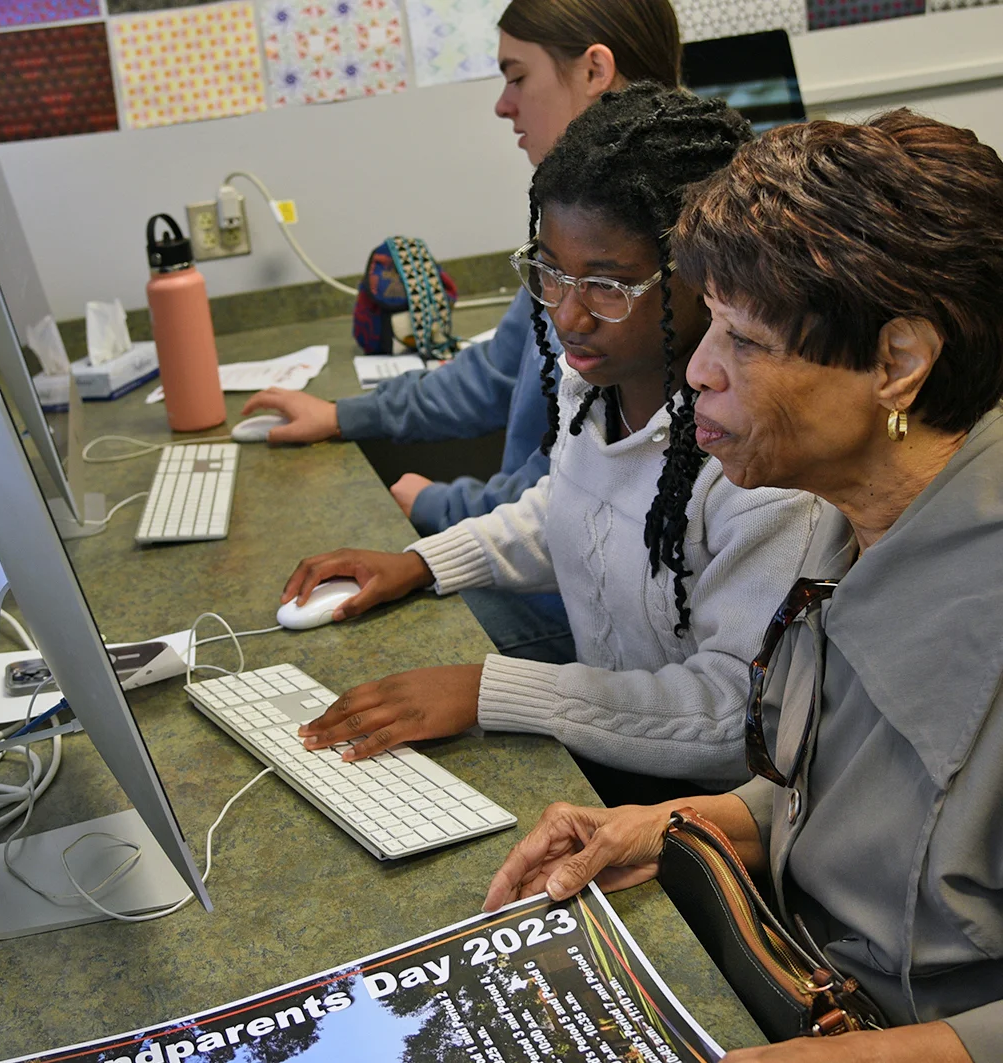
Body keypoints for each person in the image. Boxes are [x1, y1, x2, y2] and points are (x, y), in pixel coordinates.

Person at [483, 110, 1003, 1062]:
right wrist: (672, 826)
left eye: (746, 340)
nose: (698, 370)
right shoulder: (850, 521)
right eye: (708, 321)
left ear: (898, 364)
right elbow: (839, 797)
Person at [282, 84, 822, 806]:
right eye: (551, 272)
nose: (568, 313)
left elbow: (735, 714)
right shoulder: (597, 382)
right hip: (610, 759)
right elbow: (571, 510)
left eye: (606, 284)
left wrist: (494, 690)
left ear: (705, 278)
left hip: (706, 816)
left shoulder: (757, 465)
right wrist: (423, 561)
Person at [241, 0, 683, 664]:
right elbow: (501, 384)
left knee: (377, 653)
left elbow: (592, 496)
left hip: (600, 611)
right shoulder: (574, 236)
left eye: (516, 76)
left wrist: (436, 506)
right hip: (551, 569)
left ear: (594, 70)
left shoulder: (668, 261)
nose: (503, 106)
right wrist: (343, 414)